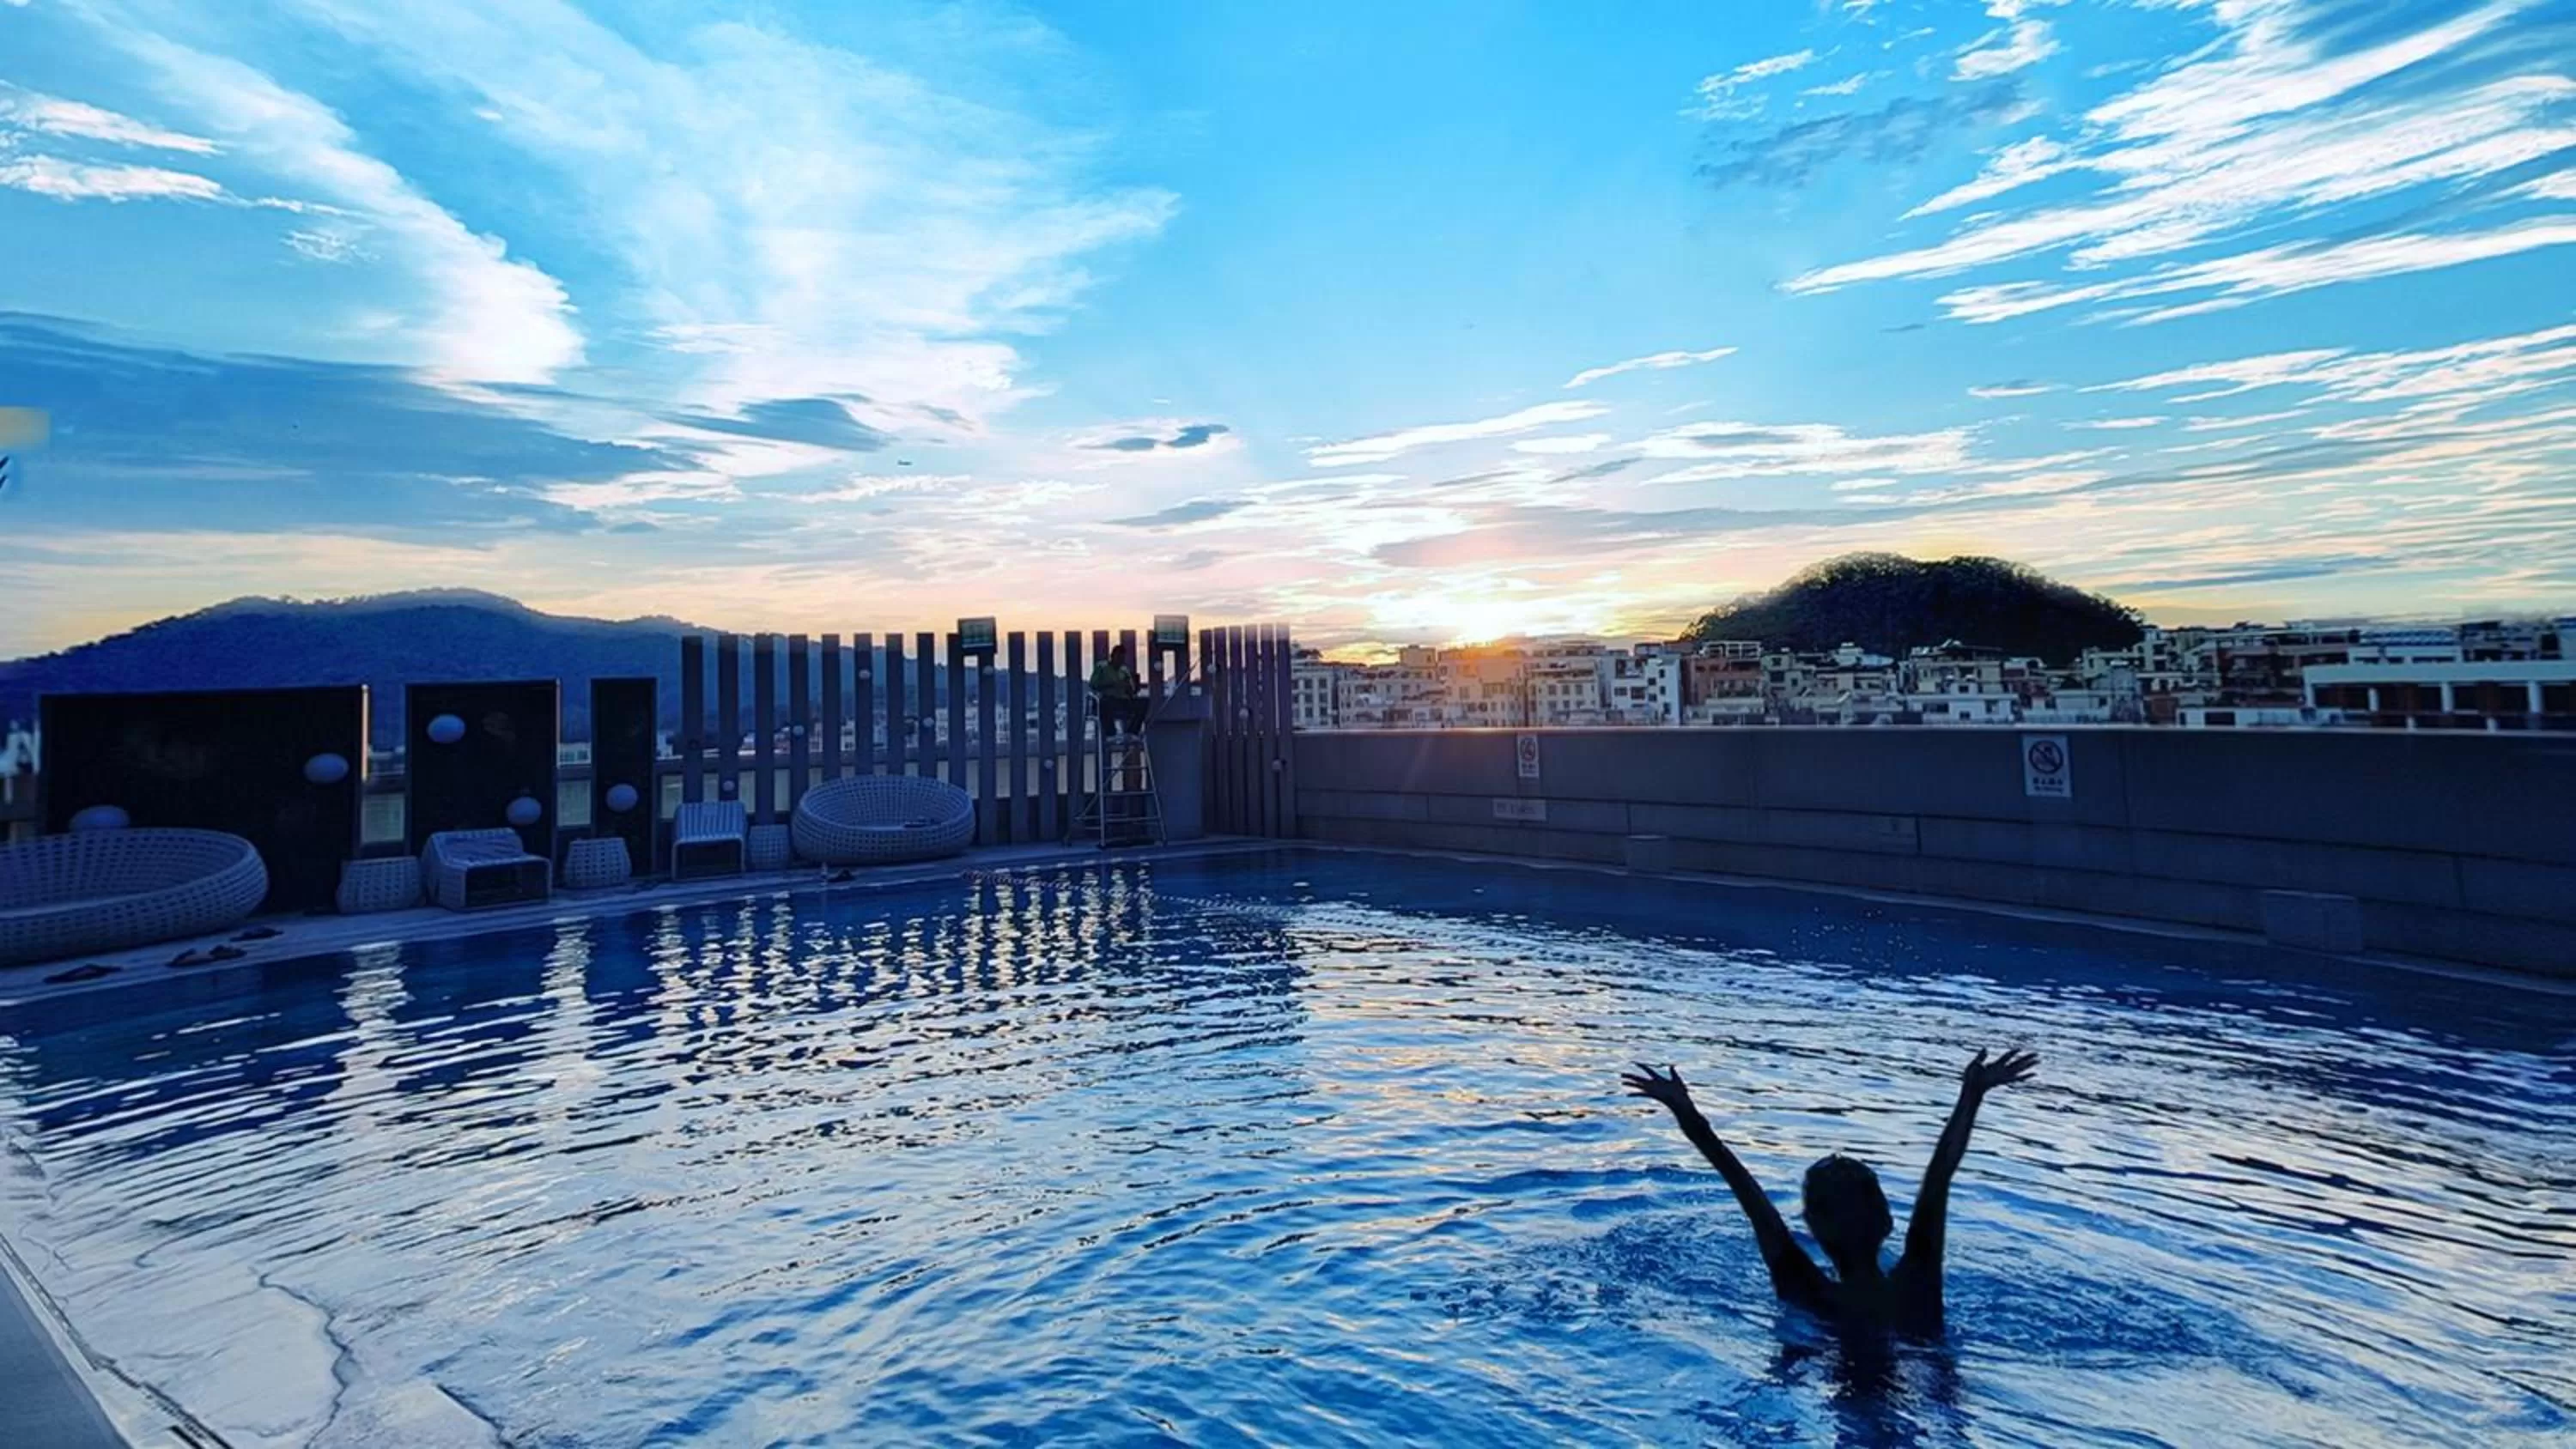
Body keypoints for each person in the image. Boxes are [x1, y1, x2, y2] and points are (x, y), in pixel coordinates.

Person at [1621, 1049, 2038, 1338]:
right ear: (1888, 1222)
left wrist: (1684, 1110)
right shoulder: (1918, 1281)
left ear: (1813, 1228)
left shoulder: (1805, 1288)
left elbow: (1739, 1180)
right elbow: (1940, 1174)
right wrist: (1972, 1094)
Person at [1089, 643, 1151, 740]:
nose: (1120, 661)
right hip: (1107, 699)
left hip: (1123, 700)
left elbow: (1132, 690)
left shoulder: (1124, 670)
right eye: (1118, 657)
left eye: (1122, 658)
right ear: (1112, 656)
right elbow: (1093, 685)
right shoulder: (1102, 667)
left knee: (1144, 702)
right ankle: (1111, 733)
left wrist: (1130, 687)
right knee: (1104, 703)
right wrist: (1111, 685)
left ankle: (1132, 732)